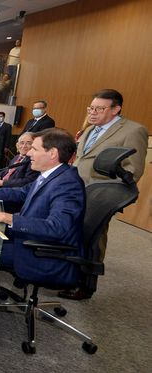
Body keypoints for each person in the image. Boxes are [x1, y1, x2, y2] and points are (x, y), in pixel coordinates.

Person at [0, 128, 85, 287]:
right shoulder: (51, 174)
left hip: (39, 253)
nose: (29, 153)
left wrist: (3, 217)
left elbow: (57, 228)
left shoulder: (67, 183)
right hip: (27, 239)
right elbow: (21, 192)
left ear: (52, 154)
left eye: (34, 149)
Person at [61, 89, 149, 300]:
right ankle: (69, 274)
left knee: (94, 237)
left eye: (99, 108)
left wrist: (109, 194)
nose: (92, 112)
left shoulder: (133, 130)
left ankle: (86, 284)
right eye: (91, 108)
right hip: (77, 190)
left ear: (116, 109)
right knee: (75, 232)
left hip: (100, 195)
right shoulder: (91, 129)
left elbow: (133, 170)